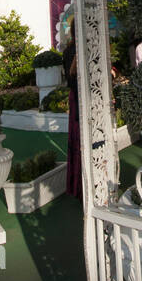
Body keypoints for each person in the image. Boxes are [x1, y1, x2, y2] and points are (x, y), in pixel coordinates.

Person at [62, 22, 82, 200]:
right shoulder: (78, 51)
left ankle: (76, 185)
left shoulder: (68, 50)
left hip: (75, 97)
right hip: (81, 98)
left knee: (76, 142)